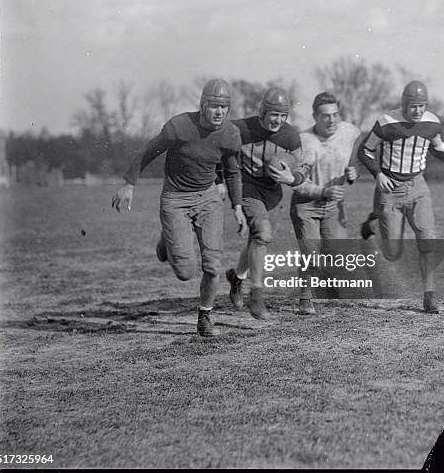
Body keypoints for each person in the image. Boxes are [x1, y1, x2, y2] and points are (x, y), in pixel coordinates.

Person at [112, 79, 247, 337]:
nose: (219, 112)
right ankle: (168, 237)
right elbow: (148, 151)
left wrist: (237, 206)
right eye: (214, 106)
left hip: (208, 198)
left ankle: (205, 316)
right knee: (185, 272)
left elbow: (232, 172)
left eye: (224, 107)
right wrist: (129, 184)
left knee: (212, 265)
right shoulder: (180, 127)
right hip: (176, 198)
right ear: (203, 104)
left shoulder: (230, 134)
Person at [357, 80, 444, 313]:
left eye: (422, 106)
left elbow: (437, 146)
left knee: (427, 239)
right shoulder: (386, 122)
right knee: (392, 253)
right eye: (413, 106)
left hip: (418, 186)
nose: (418, 111)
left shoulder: (431, 122)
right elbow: (365, 150)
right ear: (404, 104)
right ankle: (373, 223)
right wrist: (377, 174)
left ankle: (429, 295)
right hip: (390, 188)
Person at [224, 87, 308, 320]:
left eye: (283, 116)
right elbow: (219, 151)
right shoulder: (240, 129)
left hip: (272, 193)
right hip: (247, 187)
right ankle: (257, 296)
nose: (278, 120)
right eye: (273, 114)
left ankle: (237, 278)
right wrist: (220, 180)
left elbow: (303, 166)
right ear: (262, 110)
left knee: (257, 240)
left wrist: (292, 178)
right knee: (262, 233)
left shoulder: (290, 135)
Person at [290, 92, 362, 314]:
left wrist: (354, 172)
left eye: (335, 115)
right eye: (325, 116)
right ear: (314, 117)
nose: (331, 120)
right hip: (306, 204)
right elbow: (295, 183)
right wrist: (323, 190)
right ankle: (305, 297)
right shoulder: (302, 141)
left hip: (333, 205)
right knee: (311, 253)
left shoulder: (350, 132)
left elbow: (357, 159)